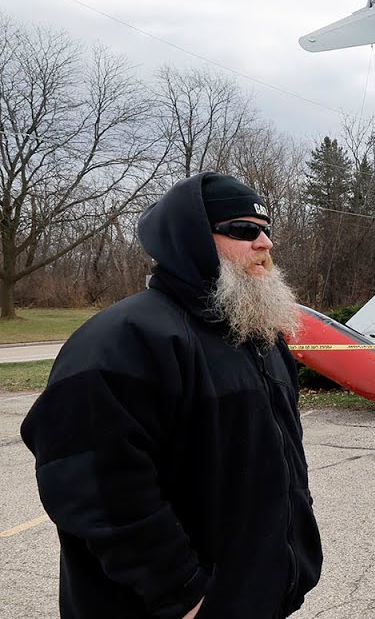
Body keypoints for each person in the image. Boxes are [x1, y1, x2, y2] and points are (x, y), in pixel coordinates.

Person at [21, 172, 323, 618]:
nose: (265, 243)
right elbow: (94, 486)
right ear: (192, 239)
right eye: (243, 230)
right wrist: (182, 592)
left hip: (256, 598)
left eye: (267, 230)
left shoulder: (259, 337)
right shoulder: (124, 339)